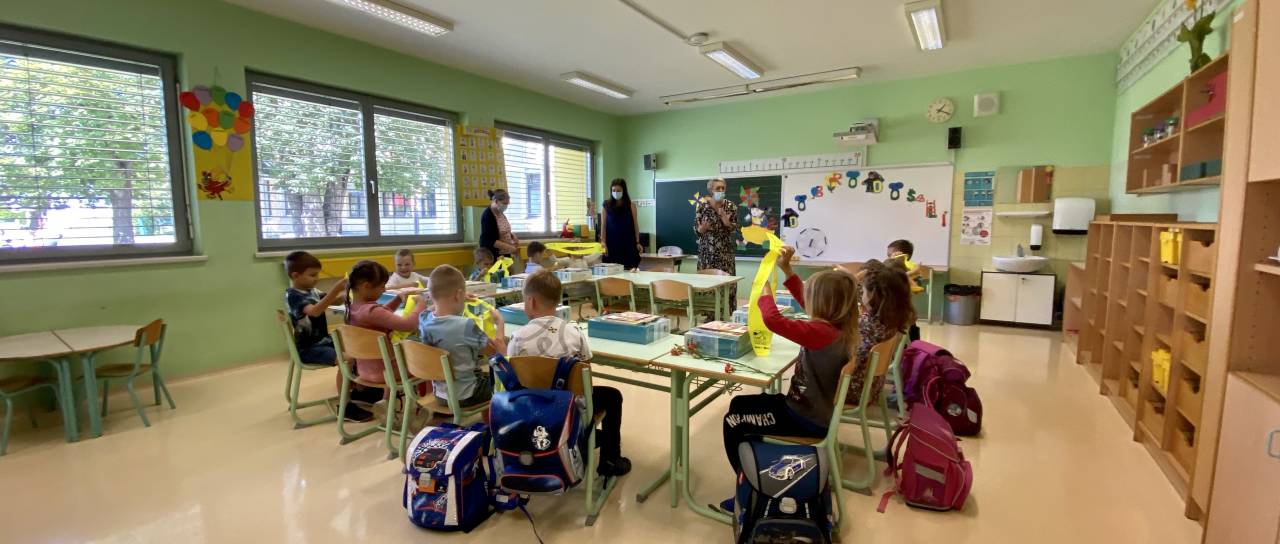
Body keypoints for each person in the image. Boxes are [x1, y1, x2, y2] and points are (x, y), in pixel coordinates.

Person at [719, 247, 860, 495]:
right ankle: (756, 466)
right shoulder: (839, 326)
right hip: (810, 411)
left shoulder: (821, 333)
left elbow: (773, 321)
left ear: (823, 304)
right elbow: (806, 302)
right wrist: (786, 269)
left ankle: (749, 487)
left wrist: (764, 293)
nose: (807, 301)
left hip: (804, 418)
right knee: (739, 404)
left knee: (733, 421)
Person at [506, 270, 631, 477]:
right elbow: (585, 373)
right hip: (569, 410)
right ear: (558, 301)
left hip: (530, 410)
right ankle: (610, 459)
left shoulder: (517, 337)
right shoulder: (574, 333)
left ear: (530, 301)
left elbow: (513, 376)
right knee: (612, 396)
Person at [283, 252, 376, 422]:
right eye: (312, 275)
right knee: (347, 359)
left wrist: (350, 290)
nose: (316, 278)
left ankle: (360, 391)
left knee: (355, 347)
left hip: (322, 341)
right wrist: (335, 289)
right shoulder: (294, 296)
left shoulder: (311, 290)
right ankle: (345, 406)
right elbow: (315, 311)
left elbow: (335, 301)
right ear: (295, 275)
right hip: (308, 348)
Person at [419, 265, 507, 408]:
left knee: (482, 373)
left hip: (441, 394)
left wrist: (459, 297)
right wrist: (500, 322)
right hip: (467, 395)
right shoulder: (466, 325)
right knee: (504, 376)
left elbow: (430, 309)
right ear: (458, 295)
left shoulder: (424, 319)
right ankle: (494, 419)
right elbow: (496, 351)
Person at [344, 260, 429, 393]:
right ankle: (426, 401)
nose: (384, 290)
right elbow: (409, 325)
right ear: (366, 286)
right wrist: (421, 305)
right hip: (388, 372)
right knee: (428, 361)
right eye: (382, 286)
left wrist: (398, 299)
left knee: (392, 355)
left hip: (365, 371)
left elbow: (380, 315)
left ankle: (387, 400)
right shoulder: (371, 311)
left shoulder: (352, 308)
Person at [850, 260, 915, 402]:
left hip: (853, 392)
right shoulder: (892, 320)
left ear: (874, 294)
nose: (861, 294)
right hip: (873, 388)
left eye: (864, 291)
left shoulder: (867, 325)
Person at [695, 178, 739, 302]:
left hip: (725, 254)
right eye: (718, 188)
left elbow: (735, 229)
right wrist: (701, 229)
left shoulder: (731, 206)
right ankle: (707, 312)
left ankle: (727, 311)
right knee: (706, 286)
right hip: (706, 254)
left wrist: (727, 222)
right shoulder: (702, 207)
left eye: (723, 188)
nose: (721, 190)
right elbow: (696, 229)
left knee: (727, 285)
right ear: (711, 190)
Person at [600, 178, 642, 270]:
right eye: (613, 190)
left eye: (618, 190)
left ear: (624, 191)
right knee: (612, 271)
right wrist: (603, 242)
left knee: (630, 270)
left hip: (628, 244)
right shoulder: (606, 205)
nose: (616, 192)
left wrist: (638, 242)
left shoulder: (631, 205)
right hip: (612, 244)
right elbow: (603, 226)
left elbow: (635, 225)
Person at [887, 239, 924, 341]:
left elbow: (917, 289)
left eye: (892, 255)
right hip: (897, 313)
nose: (890, 258)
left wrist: (911, 273)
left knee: (909, 333)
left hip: (902, 313)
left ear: (904, 255)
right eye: (888, 255)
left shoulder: (910, 268)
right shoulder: (890, 269)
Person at [479, 189, 519, 267]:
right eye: (504, 203)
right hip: (493, 255)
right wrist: (510, 248)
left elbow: (503, 229)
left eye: (507, 204)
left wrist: (512, 236)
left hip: (504, 253)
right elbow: (490, 240)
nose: (506, 206)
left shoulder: (500, 213)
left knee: (508, 273)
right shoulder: (488, 215)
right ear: (496, 201)